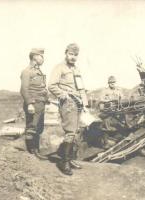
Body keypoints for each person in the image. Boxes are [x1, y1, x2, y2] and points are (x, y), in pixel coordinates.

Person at [48, 43, 86, 175]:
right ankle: (63, 162)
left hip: (78, 103)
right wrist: (62, 94)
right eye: (71, 54)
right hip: (68, 103)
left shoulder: (76, 69)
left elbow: (80, 87)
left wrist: (84, 101)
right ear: (66, 53)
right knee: (70, 132)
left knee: (75, 131)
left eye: (76, 55)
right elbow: (52, 86)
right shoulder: (59, 68)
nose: (73, 57)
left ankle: (69, 159)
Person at [20, 48, 48, 159]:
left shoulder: (38, 71)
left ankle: (36, 150)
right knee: (32, 127)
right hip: (33, 104)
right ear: (35, 57)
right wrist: (29, 104)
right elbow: (24, 89)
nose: (43, 59)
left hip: (41, 103)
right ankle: (31, 152)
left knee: (39, 128)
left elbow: (40, 88)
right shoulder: (27, 71)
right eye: (41, 56)